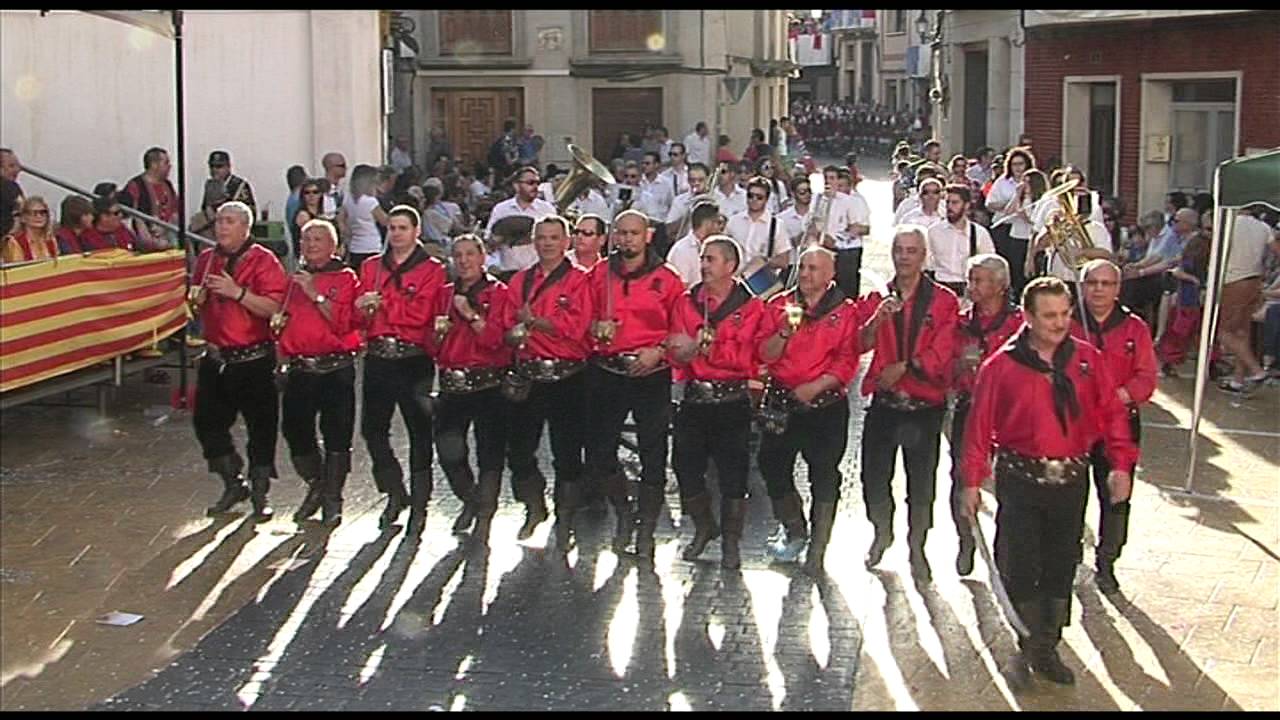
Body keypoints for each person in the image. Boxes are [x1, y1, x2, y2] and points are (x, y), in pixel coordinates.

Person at [961, 276, 1137, 687]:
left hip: (1071, 481)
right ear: (1027, 316)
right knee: (1020, 564)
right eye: (1049, 316)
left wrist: (1120, 465)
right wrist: (971, 481)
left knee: (1061, 564)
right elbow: (978, 428)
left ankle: (1047, 645)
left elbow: (1113, 414)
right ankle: (1027, 641)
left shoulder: (1088, 361)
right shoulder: (1000, 367)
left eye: (1064, 314)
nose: (1059, 324)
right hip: (1021, 480)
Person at [858, 225, 960, 582]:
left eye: (911, 251)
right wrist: (877, 319)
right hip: (885, 405)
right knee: (872, 476)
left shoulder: (944, 301)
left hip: (923, 406)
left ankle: (917, 544)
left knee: (921, 483)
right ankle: (881, 529)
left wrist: (905, 368)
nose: (904, 257)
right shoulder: (878, 296)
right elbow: (859, 343)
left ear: (923, 256)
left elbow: (944, 349)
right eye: (899, 250)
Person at [756, 245, 863, 575]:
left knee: (825, 474)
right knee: (771, 465)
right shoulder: (780, 305)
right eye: (802, 267)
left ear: (831, 274)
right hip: (782, 402)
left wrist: (816, 386)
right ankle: (794, 526)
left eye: (814, 268)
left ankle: (818, 547)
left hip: (824, 406)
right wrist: (785, 332)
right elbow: (765, 353)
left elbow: (848, 360)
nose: (805, 274)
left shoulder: (845, 312)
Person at [586, 210, 684, 560]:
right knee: (599, 451)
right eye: (620, 233)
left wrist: (658, 352)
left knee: (653, 452)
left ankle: (646, 527)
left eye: (632, 233)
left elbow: (680, 330)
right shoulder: (599, 274)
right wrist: (595, 329)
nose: (626, 239)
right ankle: (624, 513)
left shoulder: (668, 279)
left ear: (647, 236)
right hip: (607, 371)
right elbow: (582, 317)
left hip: (649, 374)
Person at [668, 236, 765, 568]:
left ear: (730, 266)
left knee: (733, 474)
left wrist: (712, 350)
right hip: (696, 396)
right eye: (703, 258)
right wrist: (690, 350)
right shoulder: (687, 301)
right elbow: (677, 348)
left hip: (731, 400)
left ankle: (732, 542)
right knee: (685, 466)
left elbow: (748, 357)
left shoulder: (751, 307)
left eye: (711, 259)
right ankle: (704, 525)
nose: (704, 265)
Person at [501, 216, 595, 552]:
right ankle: (533, 504)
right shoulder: (521, 281)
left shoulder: (581, 280)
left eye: (554, 238)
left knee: (567, 451)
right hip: (529, 373)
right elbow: (507, 318)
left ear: (566, 242)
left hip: (568, 375)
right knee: (518, 450)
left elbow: (577, 325)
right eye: (541, 238)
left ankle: (566, 515)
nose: (547, 243)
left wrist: (536, 321)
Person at [189, 201, 288, 520]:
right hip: (216, 356)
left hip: (253, 357)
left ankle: (261, 493)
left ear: (245, 227)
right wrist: (196, 302)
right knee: (206, 424)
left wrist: (238, 293)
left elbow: (275, 309)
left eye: (229, 221)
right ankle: (233, 481)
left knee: (261, 427)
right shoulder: (206, 259)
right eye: (219, 221)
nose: (221, 227)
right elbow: (195, 304)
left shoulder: (264, 260)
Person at [356, 205, 447, 536]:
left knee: (419, 431)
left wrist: (386, 307)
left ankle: (421, 503)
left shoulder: (432, 269)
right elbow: (359, 317)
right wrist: (362, 309)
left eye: (402, 228)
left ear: (416, 231)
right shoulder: (371, 267)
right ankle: (394, 489)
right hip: (379, 356)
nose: (395, 234)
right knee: (372, 429)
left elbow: (422, 312)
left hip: (413, 358)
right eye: (392, 228)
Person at [1069, 259, 1156, 593]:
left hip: (1119, 425)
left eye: (1106, 284)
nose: (1099, 290)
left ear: (1118, 289)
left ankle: (1107, 561)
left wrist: (1120, 395)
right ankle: (1070, 554)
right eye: (1092, 283)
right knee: (1071, 495)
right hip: (1075, 424)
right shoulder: (1066, 321)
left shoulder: (1135, 327)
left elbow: (1146, 377)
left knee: (1116, 496)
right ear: (1083, 286)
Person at [426, 234, 512, 543]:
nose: (463, 261)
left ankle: (485, 513)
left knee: (490, 451)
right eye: (457, 255)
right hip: (453, 383)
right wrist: (437, 336)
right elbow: (431, 344)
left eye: (469, 255)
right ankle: (470, 499)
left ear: (482, 257)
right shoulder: (444, 295)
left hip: (488, 382)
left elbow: (496, 341)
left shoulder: (498, 293)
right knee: (449, 450)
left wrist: (470, 315)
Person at [277, 219, 362, 526]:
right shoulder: (294, 279)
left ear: (333, 246)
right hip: (301, 368)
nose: (311, 245)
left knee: (337, 433)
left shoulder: (346, 277)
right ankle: (316, 482)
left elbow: (342, 322)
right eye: (306, 240)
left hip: (335, 368)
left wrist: (314, 293)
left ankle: (332, 498)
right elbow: (283, 322)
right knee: (295, 431)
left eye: (317, 240)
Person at [948, 254, 1023, 576]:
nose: (972, 287)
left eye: (979, 280)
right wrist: (958, 367)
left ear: (1000, 285)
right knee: (962, 475)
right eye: (970, 279)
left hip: (1010, 412)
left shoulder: (1020, 324)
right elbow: (945, 369)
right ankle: (966, 538)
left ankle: (1007, 548)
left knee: (1011, 481)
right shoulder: (961, 322)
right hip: (970, 405)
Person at [1215, 205, 1273, 392]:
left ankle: (1256, 370)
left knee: (1223, 332)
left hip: (1233, 280)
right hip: (1254, 280)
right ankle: (1238, 380)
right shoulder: (1264, 227)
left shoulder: (1228, 224)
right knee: (1242, 332)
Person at [810, 165, 870, 299]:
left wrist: (836, 241)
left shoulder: (849, 201)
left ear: (837, 180)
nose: (828, 182)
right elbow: (811, 222)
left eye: (832, 178)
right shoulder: (818, 198)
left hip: (844, 251)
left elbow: (856, 228)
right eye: (826, 178)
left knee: (845, 290)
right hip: (822, 248)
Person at [486, 166, 557, 276]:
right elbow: (489, 243)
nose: (535, 187)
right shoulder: (501, 209)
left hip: (539, 272)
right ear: (516, 186)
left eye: (538, 183)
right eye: (530, 183)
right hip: (508, 272)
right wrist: (499, 238)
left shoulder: (547, 209)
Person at [1156, 230, 1209, 375]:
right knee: (1187, 332)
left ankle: (1168, 361)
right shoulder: (1195, 262)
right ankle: (1168, 361)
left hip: (1187, 300)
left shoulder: (1189, 260)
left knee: (1181, 333)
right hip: (1190, 300)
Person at [926, 184, 995, 296]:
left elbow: (989, 266)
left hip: (967, 290)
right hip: (940, 287)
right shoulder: (934, 231)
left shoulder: (979, 233)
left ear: (966, 205)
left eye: (955, 203)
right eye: (947, 202)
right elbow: (926, 263)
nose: (949, 207)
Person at [987, 147, 1036, 298]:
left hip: (1024, 230)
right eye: (1014, 164)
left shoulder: (1034, 181)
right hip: (1004, 226)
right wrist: (1011, 201)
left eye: (1021, 164)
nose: (1018, 168)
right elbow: (990, 204)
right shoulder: (1003, 182)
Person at [122, 146, 179, 251]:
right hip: (144, 240)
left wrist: (167, 229)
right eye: (166, 163)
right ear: (154, 165)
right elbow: (128, 216)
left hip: (168, 237)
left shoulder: (167, 185)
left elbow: (174, 211)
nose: (169, 166)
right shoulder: (135, 185)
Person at [725, 177, 783, 271]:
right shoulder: (733, 221)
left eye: (759, 197)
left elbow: (784, 261)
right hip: (734, 277)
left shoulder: (777, 225)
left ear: (766, 199)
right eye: (750, 195)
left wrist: (763, 261)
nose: (754, 199)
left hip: (761, 280)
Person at [338, 165, 389, 270]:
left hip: (355, 245)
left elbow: (340, 219)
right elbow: (384, 221)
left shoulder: (348, 199)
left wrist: (347, 233)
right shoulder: (370, 202)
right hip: (371, 244)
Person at [668, 201, 723, 288]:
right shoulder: (682, 250)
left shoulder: (715, 247)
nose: (720, 228)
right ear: (707, 223)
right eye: (718, 223)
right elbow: (681, 287)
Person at [1, 196, 58, 264]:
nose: (39, 216)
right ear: (23, 218)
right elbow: (17, 270)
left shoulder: (51, 240)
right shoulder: (14, 242)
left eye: (43, 212)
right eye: (34, 213)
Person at [664, 162, 710, 242]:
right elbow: (669, 230)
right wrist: (689, 211)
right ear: (688, 181)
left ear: (708, 179)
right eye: (693, 180)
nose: (696, 183)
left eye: (701, 180)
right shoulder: (679, 201)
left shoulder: (717, 199)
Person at [0, 148, 24, 238]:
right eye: (11, 166)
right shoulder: (10, 187)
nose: (17, 170)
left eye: (18, 166)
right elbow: (23, 212)